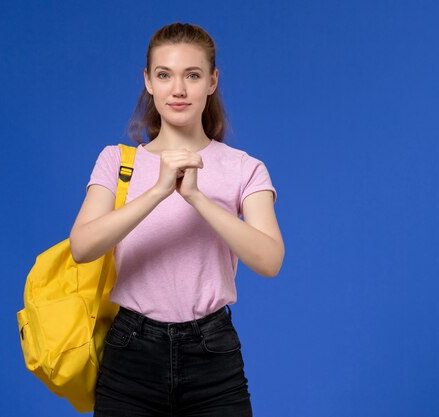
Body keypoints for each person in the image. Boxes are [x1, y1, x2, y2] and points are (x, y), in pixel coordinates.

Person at [69, 22, 284, 417]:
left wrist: (197, 198)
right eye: (165, 75)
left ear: (212, 82)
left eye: (193, 75)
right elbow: (82, 247)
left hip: (212, 353)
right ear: (148, 81)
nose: (179, 89)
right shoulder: (117, 162)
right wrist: (157, 191)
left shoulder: (244, 168)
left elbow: (270, 260)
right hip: (130, 352)